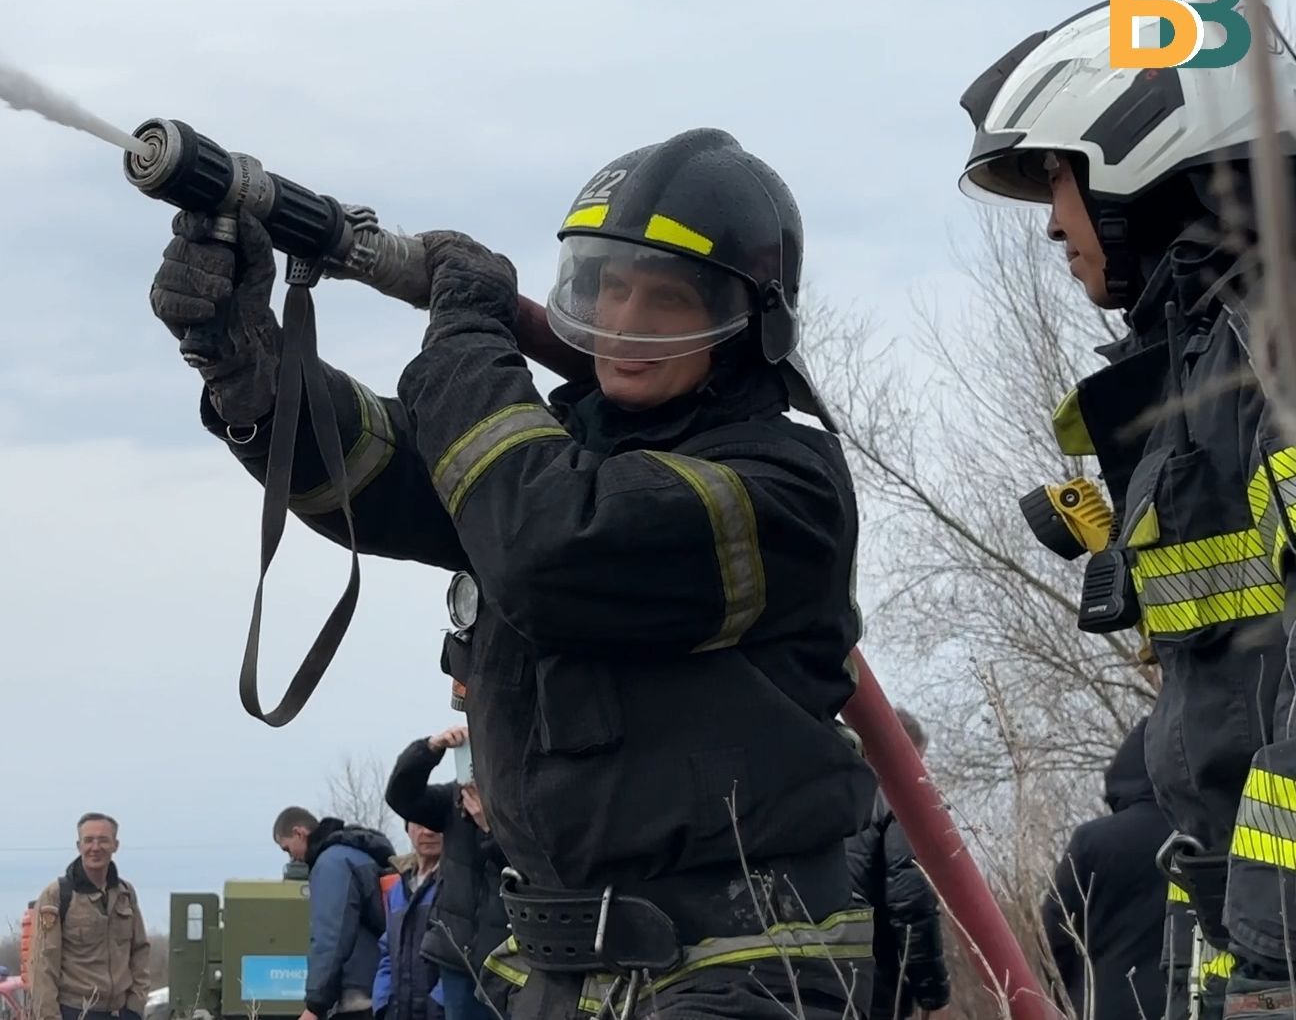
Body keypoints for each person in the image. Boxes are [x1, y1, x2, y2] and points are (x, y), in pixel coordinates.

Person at [153, 126, 879, 1020]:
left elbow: (548, 544)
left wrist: (465, 330)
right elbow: (384, 478)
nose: (625, 325)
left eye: (667, 302)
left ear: (748, 321)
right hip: (557, 974)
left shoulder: (783, 485)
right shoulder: (560, 454)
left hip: (737, 969)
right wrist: (248, 369)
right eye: (610, 290)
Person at [957, 0, 1296, 1020]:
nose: (1055, 222)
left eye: (1057, 178)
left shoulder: (1275, 364)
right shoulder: (1218, 367)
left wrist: (1276, 952)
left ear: (1146, 155)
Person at [1041, 718, 1171, 1020]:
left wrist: (1070, 992)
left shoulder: (1091, 841)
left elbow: (1056, 929)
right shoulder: (1202, 833)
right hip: (1189, 1001)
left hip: (1104, 1002)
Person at [382, 727, 509, 1020]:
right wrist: (429, 750)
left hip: (509, 960)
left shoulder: (520, 802)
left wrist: (490, 828)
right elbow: (401, 797)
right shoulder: (454, 798)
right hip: (458, 957)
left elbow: (531, 869)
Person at [845, 708, 950, 1020]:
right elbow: (911, 907)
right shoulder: (899, 800)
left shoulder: (825, 795)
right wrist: (933, 995)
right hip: (872, 983)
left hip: (806, 976)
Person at [273, 806, 397, 1020]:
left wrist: (315, 1005)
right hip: (379, 985)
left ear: (299, 833)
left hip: (357, 995)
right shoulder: (357, 855)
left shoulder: (331, 865)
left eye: (287, 849)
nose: (291, 857)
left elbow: (330, 936)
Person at [29, 812, 154, 1020]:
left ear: (115, 845)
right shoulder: (57, 895)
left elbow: (140, 950)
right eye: (89, 841)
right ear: (79, 846)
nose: (95, 848)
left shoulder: (125, 894)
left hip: (122, 1012)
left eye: (103, 840)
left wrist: (136, 1004)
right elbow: (43, 966)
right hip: (76, 1011)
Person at [373, 816, 446, 1020]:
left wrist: (438, 1004)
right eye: (420, 823)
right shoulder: (397, 890)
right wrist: (383, 1001)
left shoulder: (459, 885)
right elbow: (387, 951)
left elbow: (469, 952)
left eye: (436, 824)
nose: (428, 832)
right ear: (408, 830)